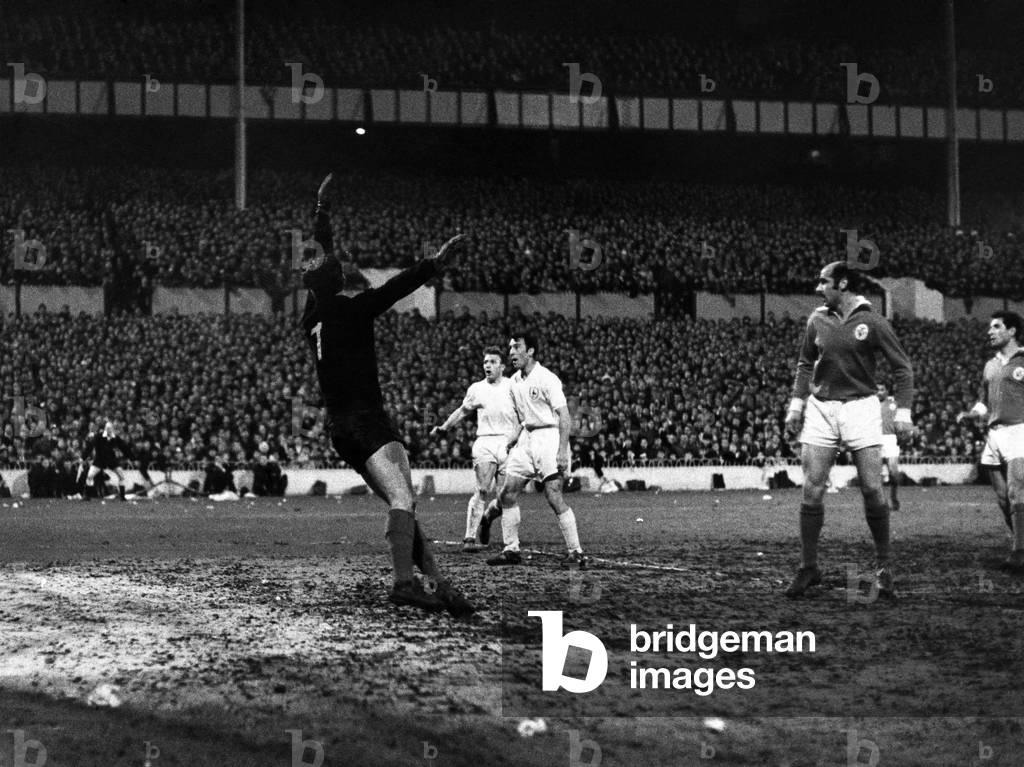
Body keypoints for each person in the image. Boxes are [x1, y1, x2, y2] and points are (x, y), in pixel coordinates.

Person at [299, 173, 474, 615]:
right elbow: (396, 288)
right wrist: (433, 264)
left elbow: (323, 256)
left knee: (406, 507)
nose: (344, 263)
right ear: (334, 278)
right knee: (402, 500)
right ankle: (403, 583)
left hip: (347, 426)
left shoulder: (313, 316)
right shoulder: (352, 310)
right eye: (339, 264)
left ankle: (439, 584)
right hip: (364, 421)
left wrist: (323, 214)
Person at [783, 262, 914, 598]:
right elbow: (803, 363)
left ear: (842, 284)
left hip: (860, 407)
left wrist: (904, 413)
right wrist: (796, 406)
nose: (817, 287)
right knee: (811, 489)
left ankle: (884, 570)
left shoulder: (872, 321)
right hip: (822, 408)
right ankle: (808, 567)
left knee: (872, 488)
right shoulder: (817, 319)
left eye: (823, 281)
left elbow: (903, 368)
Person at [477, 332, 588, 568]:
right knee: (506, 493)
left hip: (549, 437)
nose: (511, 352)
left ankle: (576, 552)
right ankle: (511, 549)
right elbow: (523, 417)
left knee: (553, 496)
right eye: (510, 348)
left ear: (531, 351)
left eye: (517, 347)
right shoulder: (515, 381)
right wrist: (514, 437)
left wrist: (561, 450)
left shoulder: (547, 379)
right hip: (527, 439)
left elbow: (565, 416)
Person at [430, 346, 519, 552]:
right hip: (485, 442)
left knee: (505, 496)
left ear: (503, 366)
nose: (488, 365)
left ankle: (488, 517)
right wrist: (445, 427)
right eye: (486, 362)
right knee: (481, 489)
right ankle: (469, 537)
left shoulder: (513, 386)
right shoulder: (476, 388)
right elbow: (462, 411)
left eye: (493, 362)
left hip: (509, 443)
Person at [957, 311, 1024, 571]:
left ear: (1012, 331)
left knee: (1016, 489)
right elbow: (985, 400)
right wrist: (972, 413)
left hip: (1019, 430)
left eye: (996, 327)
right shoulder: (990, 365)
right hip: (994, 435)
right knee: (1002, 498)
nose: (990, 331)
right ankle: (1019, 540)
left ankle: (1020, 552)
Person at [83, 420, 132, 500]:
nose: (109, 430)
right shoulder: (98, 436)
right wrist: (83, 458)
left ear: (112, 429)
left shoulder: (115, 437)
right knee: (90, 476)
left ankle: (122, 496)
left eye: (110, 428)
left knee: (121, 476)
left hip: (111, 460)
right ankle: (87, 496)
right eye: (107, 428)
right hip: (99, 460)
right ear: (105, 428)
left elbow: (124, 447)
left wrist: (131, 458)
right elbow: (90, 447)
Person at [877, 383, 902, 511]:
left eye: (882, 389)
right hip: (875, 439)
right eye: (877, 390)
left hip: (891, 439)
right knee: (876, 473)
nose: (879, 392)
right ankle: (880, 502)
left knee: (893, 472)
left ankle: (894, 498)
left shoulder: (893, 404)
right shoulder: (870, 404)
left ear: (887, 391)